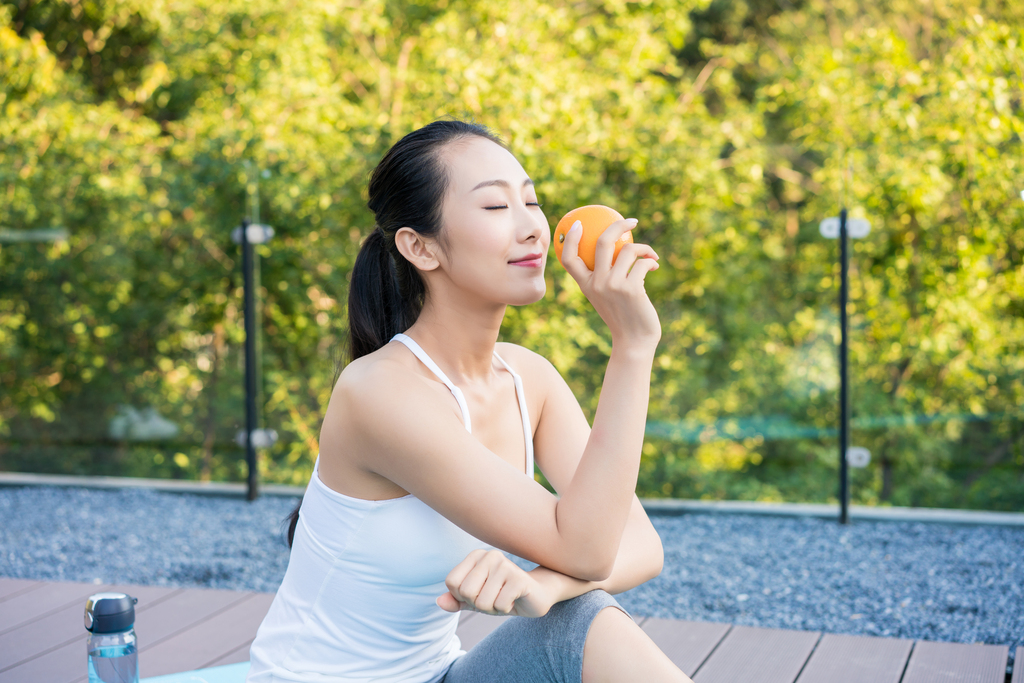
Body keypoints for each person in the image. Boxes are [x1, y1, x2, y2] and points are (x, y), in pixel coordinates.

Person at [247, 120, 690, 683]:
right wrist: (632, 347)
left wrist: (544, 585)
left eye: (530, 200)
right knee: (584, 608)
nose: (532, 227)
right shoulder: (377, 393)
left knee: (581, 618)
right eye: (495, 207)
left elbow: (640, 544)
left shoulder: (530, 378)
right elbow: (588, 551)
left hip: (438, 674)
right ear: (420, 247)